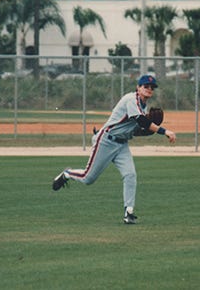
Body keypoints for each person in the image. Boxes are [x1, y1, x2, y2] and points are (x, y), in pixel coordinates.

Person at [52, 74, 176, 224]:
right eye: (146, 86)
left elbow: (134, 130)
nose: (149, 89)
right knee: (88, 178)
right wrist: (164, 131)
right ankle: (67, 174)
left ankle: (128, 212)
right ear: (138, 87)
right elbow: (140, 120)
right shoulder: (132, 100)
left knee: (130, 175)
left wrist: (148, 131)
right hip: (106, 141)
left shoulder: (143, 106)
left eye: (152, 87)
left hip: (122, 144)